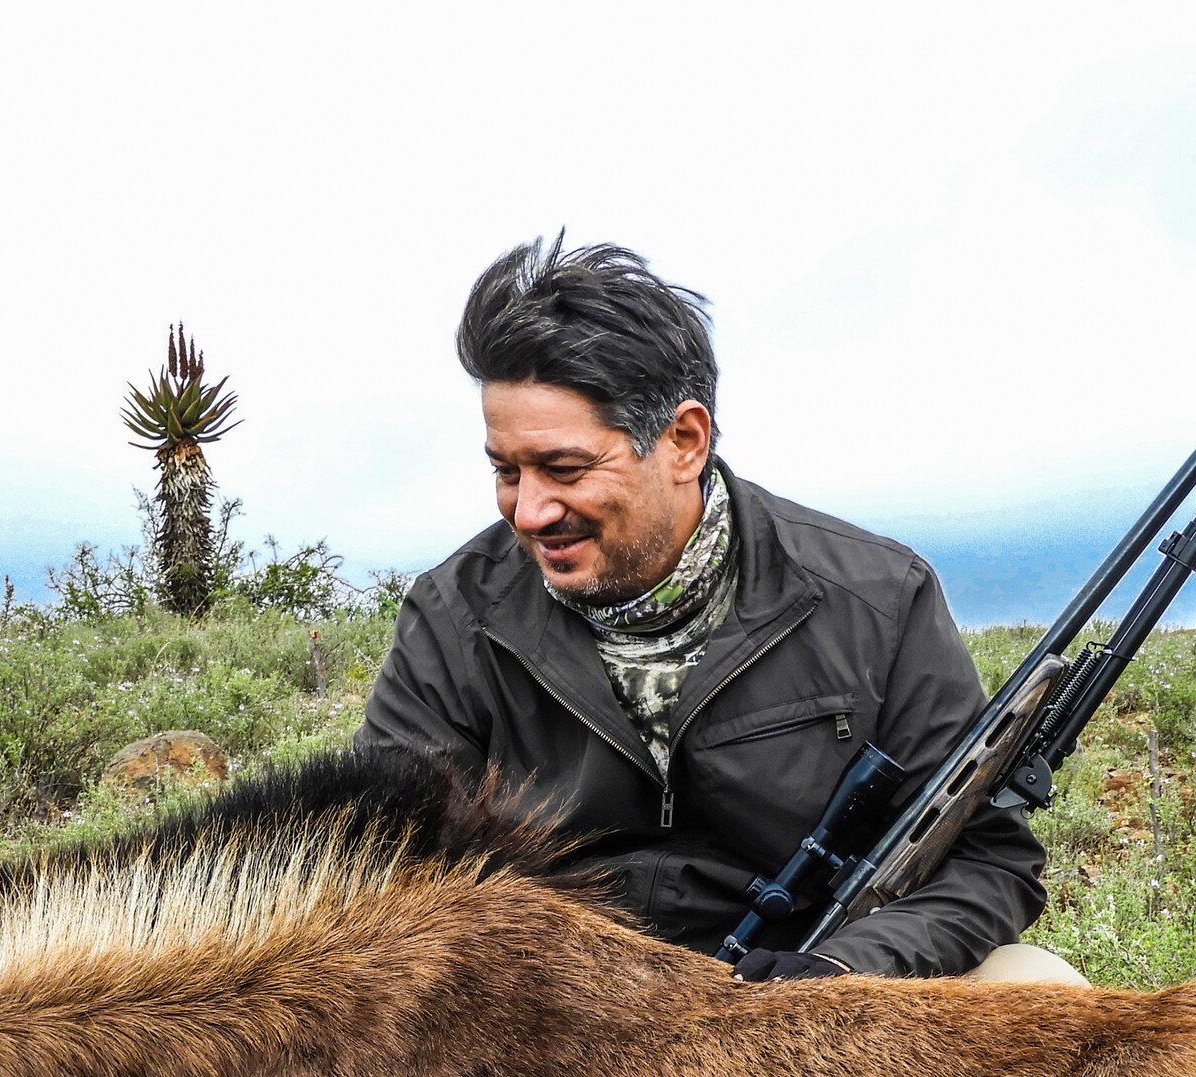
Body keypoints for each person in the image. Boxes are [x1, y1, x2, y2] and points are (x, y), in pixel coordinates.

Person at [350, 238, 1081, 985]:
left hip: (816, 1014)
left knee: (1033, 985)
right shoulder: (452, 613)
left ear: (683, 442)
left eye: (564, 470)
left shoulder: (880, 598)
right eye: (506, 471)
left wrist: (843, 969)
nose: (530, 512)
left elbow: (988, 861)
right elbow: (374, 870)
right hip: (551, 1027)